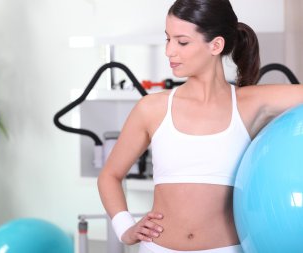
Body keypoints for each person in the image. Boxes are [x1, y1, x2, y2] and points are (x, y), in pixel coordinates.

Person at [97, 0, 303, 252]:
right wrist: (124, 227)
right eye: (167, 39)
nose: (169, 51)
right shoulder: (152, 108)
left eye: (182, 42)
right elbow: (110, 175)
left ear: (216, 45)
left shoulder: (250, 103)